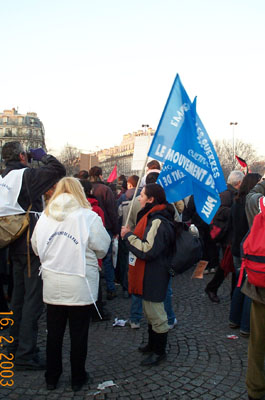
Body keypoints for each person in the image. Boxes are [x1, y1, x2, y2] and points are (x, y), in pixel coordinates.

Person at [31, 177, 110, 391]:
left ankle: (52, 377)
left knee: (54, 333)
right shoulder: (88, 217)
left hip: (53, 283)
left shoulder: (45, 217)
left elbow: (36, 246)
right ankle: (77, 377)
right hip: (80, 284)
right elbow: (103, 247)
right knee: (79, 333)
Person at [0, 141, 66, 370]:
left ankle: (13, 346)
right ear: (21, 155)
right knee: (32, 300)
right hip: (30, 246)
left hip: (13, 244)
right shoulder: (24, 176)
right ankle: (25, 354)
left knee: (17, 298)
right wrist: (44, 156)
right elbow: (58, 170)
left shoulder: (3, 178)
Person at [121, 183, 176, 366]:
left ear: (151, 199)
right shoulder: (152, 216)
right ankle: (152, 345)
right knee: (150, 311)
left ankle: (159, 352)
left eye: (142, 195)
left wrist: (128, 236)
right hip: (150, 272)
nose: (139, 197)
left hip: (154, 273)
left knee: (156, 314)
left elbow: (147, 249)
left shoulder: (158, 220)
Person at [229, 173, 261, 338]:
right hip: (250, 248)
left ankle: (234, 319)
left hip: (238, 247)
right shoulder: (254, 204)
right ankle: (246, 326)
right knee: (251, 288)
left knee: (240, 283)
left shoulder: (237, 201)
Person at [205, 170, 245, 303]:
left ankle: (225, 291)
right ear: (238, 182)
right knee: (229, 266)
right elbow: (219, 212)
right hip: (228, 236)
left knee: (229, 266)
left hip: (231, 235)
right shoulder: (226, 194)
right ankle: (216, 289)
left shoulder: (230, 193)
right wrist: (235, 211)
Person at [242, 176, 265, 400]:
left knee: (257, 344)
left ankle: (256, 390)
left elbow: (251, 198)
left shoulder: (260, 203)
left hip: (261, 287)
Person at [88, 166, 119, 300]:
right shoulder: (105, 189)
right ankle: (110, 288)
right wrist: (116, 229)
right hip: (104, 226)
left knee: (91, 259)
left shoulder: (87, 188)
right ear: (100, 175)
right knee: (107, 260)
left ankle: (95, 289)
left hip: (88, 227)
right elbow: (112, 211)